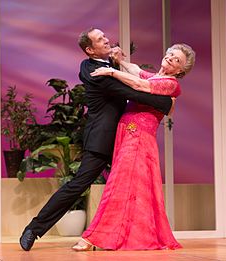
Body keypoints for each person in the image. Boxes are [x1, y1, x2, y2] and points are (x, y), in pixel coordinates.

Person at [19, 28, 175, 251]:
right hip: (102, 140)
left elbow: (135, 79)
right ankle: (33, 229)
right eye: (100, 39)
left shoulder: (109, 65)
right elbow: (132, 92)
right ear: (90, 50)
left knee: (138, 186)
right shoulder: (92, 69)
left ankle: (137, 236)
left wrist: (118, 63)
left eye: (104, 36)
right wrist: (166, 104)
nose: (107, 40)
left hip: (126, 139)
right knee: (78, 185)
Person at [72, 43, 196, 251]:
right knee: (129, 187)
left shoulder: (171, 84)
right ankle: (123, 233)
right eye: (170, 54)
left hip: (138, 138)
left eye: (177, 60)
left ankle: (95, 237)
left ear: (180, 70)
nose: (171, 59)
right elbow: (137, 71)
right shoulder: (157, 77)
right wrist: (120, 61)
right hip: (129, 133)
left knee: (119, 185)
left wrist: (112, 71)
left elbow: (139, 85)